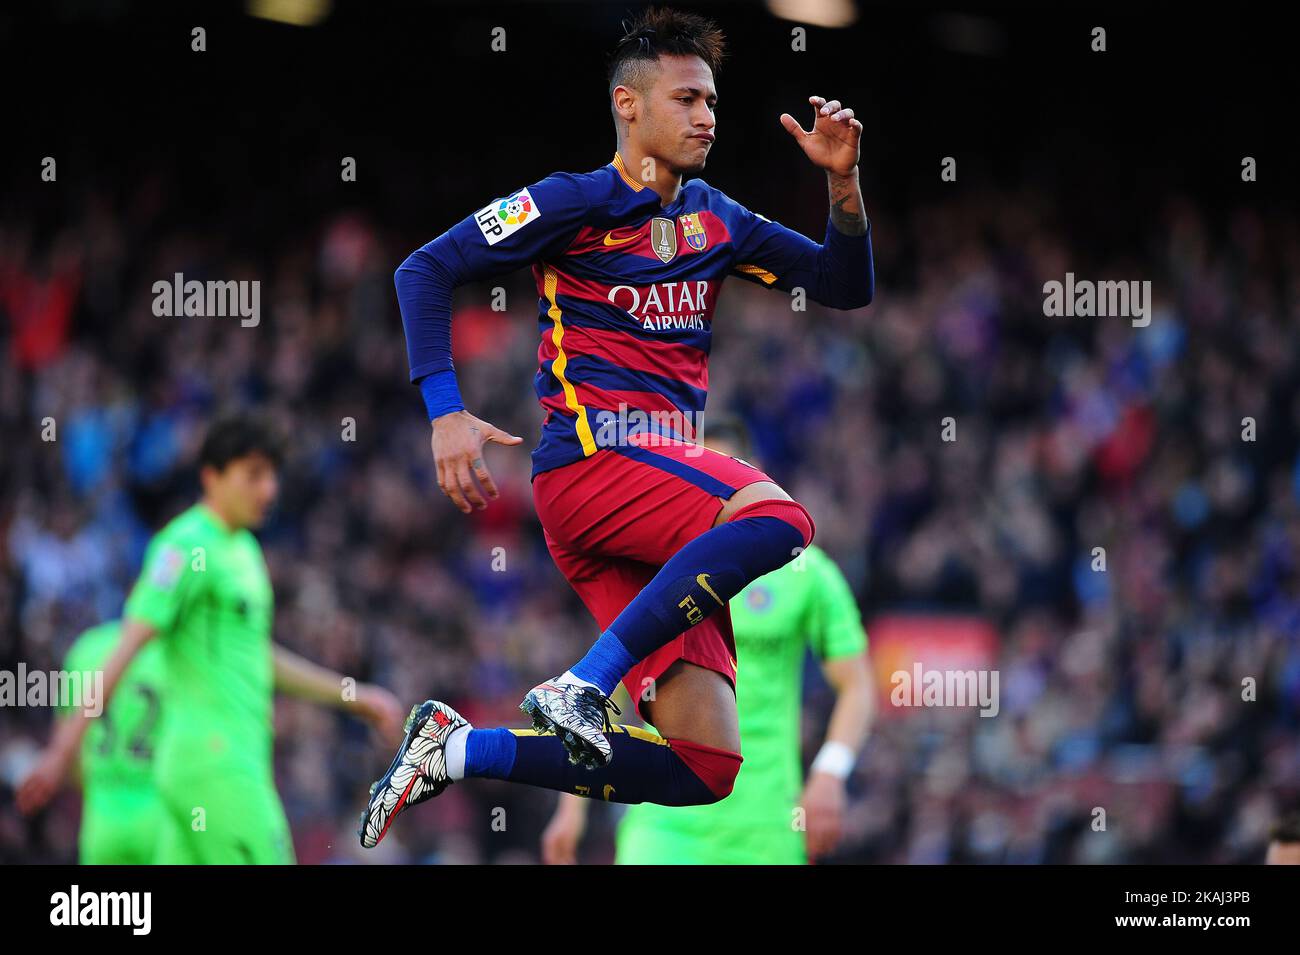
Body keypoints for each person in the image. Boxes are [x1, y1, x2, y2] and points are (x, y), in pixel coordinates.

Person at [362, 6, 874, 849]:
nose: (707, 116)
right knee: (782, 520)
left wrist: (844, 188)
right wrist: (444, 410)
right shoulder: (571, 202)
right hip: (595, 466)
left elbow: (842, 285)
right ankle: (587, 682)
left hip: (652, 506)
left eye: (712, 100)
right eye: (686, 98)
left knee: (705, 764)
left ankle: (454, 748)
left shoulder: (717, 219)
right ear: (627, 106)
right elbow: (426, 267)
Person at [19, 414, 405, 863]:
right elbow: (127, 646)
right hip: (216, 767)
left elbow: (256, 656)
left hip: (205, 769)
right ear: (212, 477)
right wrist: (60, 752)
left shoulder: (241, 550)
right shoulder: (185, 544)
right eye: (254, 475)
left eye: (273, 475)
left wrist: (355, 697)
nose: (268, 491)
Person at [542, 422, 874, 864]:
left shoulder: (805, 572)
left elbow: (858, 685)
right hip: (661, 822)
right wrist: (571, 805)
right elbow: (610, 687)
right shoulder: (656, 573)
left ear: (749, 478)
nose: (701, 495)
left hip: (767, 824)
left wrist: (831, 772)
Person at [58, 620, 166, 864]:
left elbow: (67, 744)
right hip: (161, 818)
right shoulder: (170, 650)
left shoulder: (85, 648)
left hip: (102, 822)